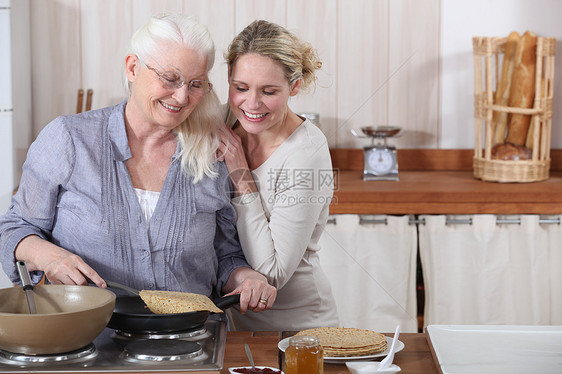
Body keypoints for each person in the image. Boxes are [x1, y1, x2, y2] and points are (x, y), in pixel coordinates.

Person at [0, 13, 276, 314]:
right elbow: (15, 228)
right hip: (86, 339)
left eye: (196, 84)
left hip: (190, 341)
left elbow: (225, 255)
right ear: (133, 67)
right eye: (170, 79)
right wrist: (47, 256)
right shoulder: (69, 139)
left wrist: (247, 277)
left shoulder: (212, 153)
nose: (182, 96)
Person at [218, 20, 339, 331]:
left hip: (298, 328)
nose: (252, 104)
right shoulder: (222, 118)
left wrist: (239, 172)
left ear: (294, 87)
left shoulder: (306, 153)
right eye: (240, 87)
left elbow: (271, 273)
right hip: (229, 325)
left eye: (269, 91)